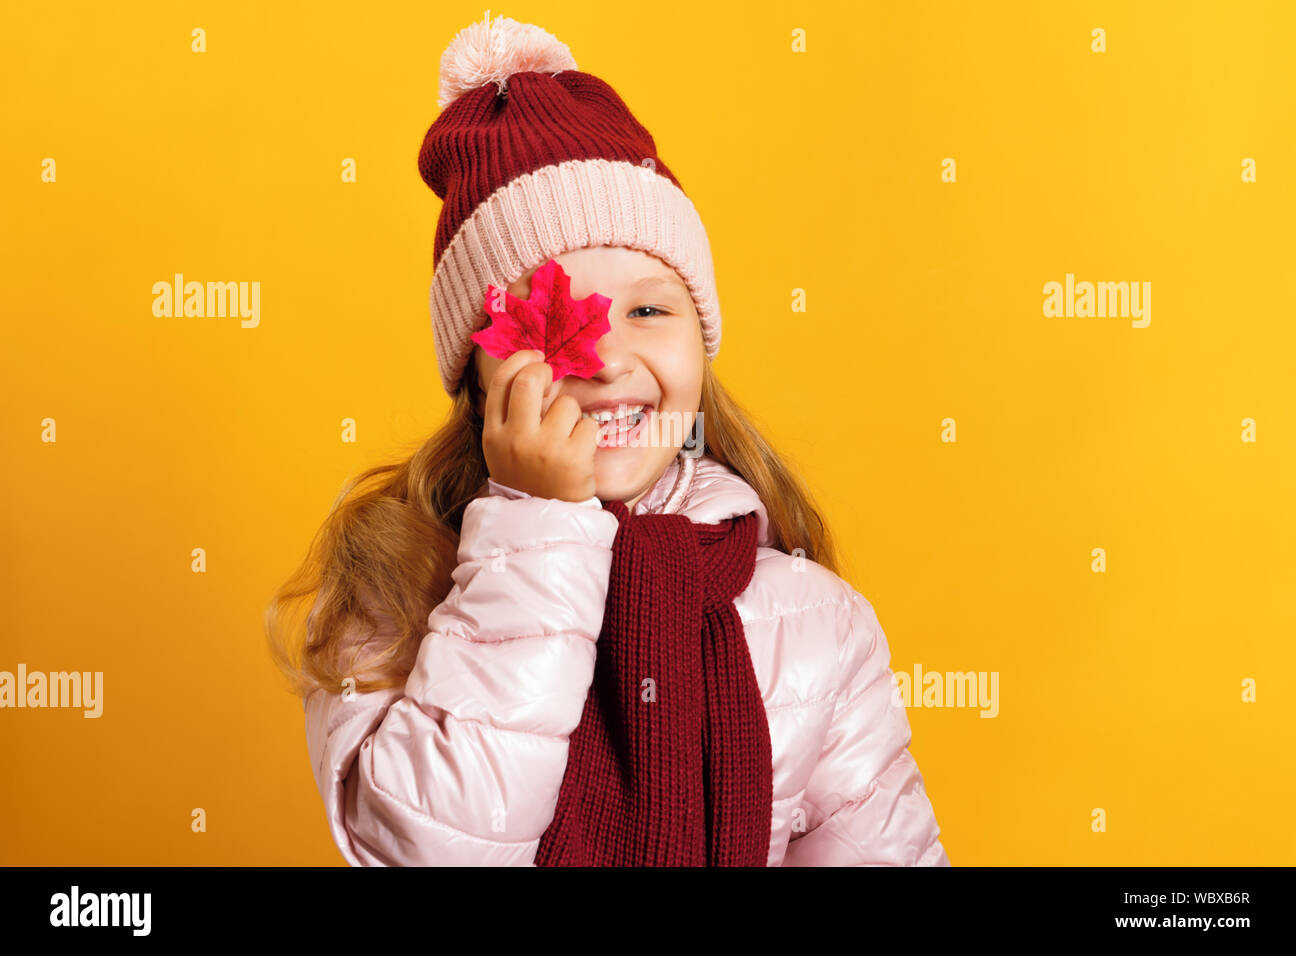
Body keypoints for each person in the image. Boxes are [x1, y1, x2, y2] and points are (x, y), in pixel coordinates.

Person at [266, 12, 949, 867]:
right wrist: (536, 522)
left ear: (698, 342)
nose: (604, 357)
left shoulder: (813, 620)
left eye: (649, 309)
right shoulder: (394, 580)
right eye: (552, 318)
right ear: (475, 374)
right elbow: (430, 848)